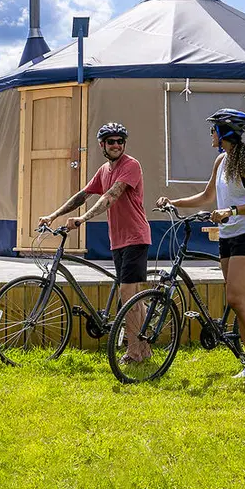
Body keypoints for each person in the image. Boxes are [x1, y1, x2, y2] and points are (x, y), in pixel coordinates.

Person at [159, 107, 245, 383]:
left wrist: (232, 211)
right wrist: (173, 202)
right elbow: (207, 196)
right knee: (243, 303)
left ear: (225, 131)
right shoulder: (222, 161)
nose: (210, 134)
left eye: (213, 129)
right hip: (228, 238)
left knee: (236, 298)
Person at [39, 121, 152, 362]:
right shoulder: (104, 170)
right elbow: (83, 195)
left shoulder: (131, 165)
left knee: (127, 293)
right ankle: (144, 349)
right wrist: (53, 215)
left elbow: (112, 196)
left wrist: (84, 218)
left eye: (120, 141)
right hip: (118, 239)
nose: (116, 145)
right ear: (102, 144)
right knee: (133, 294)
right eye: (111, 141)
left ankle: (133, 353)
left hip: (135, 236)